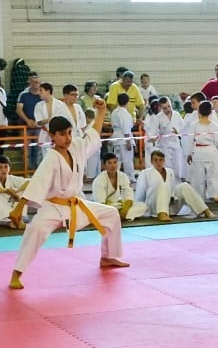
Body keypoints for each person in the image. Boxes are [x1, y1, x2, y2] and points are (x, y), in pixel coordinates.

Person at [7, 102, 128, 290]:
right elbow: (37, 182)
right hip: (53, 207)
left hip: (76, 205)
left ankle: (108, 256)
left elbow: (93, 136)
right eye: (62, 134)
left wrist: (102, 111)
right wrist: (18, 207)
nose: (68, 137)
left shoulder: (76, 147)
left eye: (70, 133)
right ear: (52, 135)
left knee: (111, 213)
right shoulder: (51, 158)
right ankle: (17, 273)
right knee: (36, 229)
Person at [134, 149, 214, 222]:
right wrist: (138, 209)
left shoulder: (170, 172)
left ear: (164, 161)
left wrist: (173, 197)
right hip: (154, 207)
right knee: (164, 185)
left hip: (170, 206)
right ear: (151, 161)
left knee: (184, 186)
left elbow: (173, 189)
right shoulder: (145, 173)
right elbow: (140, 194)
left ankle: (204, 210)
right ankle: (162, 213)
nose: (158, 162)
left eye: (160, 160)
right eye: (155, 160)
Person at [91, 151, 145, 221]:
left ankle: (117, 216)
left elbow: (129, 196)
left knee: (142, 206)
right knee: (98, 211)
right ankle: (118, 216)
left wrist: (125, 211)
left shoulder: (123, 176)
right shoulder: (99, 180)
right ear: (104, 165)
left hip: (117, 206)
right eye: (109, 163)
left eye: (115, 162)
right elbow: (101, 203)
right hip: (103, 207)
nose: (113, 165)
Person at [0, 155, 29, 228]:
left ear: (9, 168)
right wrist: (6, 191)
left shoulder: (11, 178)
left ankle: (18, 218)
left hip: (13, 214)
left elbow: (29, 181)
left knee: (23, 190)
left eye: (6, 167)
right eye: (0, 167)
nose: (3, 170)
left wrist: (17, 190)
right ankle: (11, 221)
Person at [16, 72, 43, 167]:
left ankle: (37, 171)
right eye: (34, 82)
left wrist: (38, 122)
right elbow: (19, 110)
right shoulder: (23, 95)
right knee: (26, 150)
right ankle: (27, 171)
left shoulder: (42, 95)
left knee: (38, 150)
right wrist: (27, 121)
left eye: (38, 82)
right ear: (30, 83)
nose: (36, 84)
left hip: (39, 126)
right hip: (25, 126)